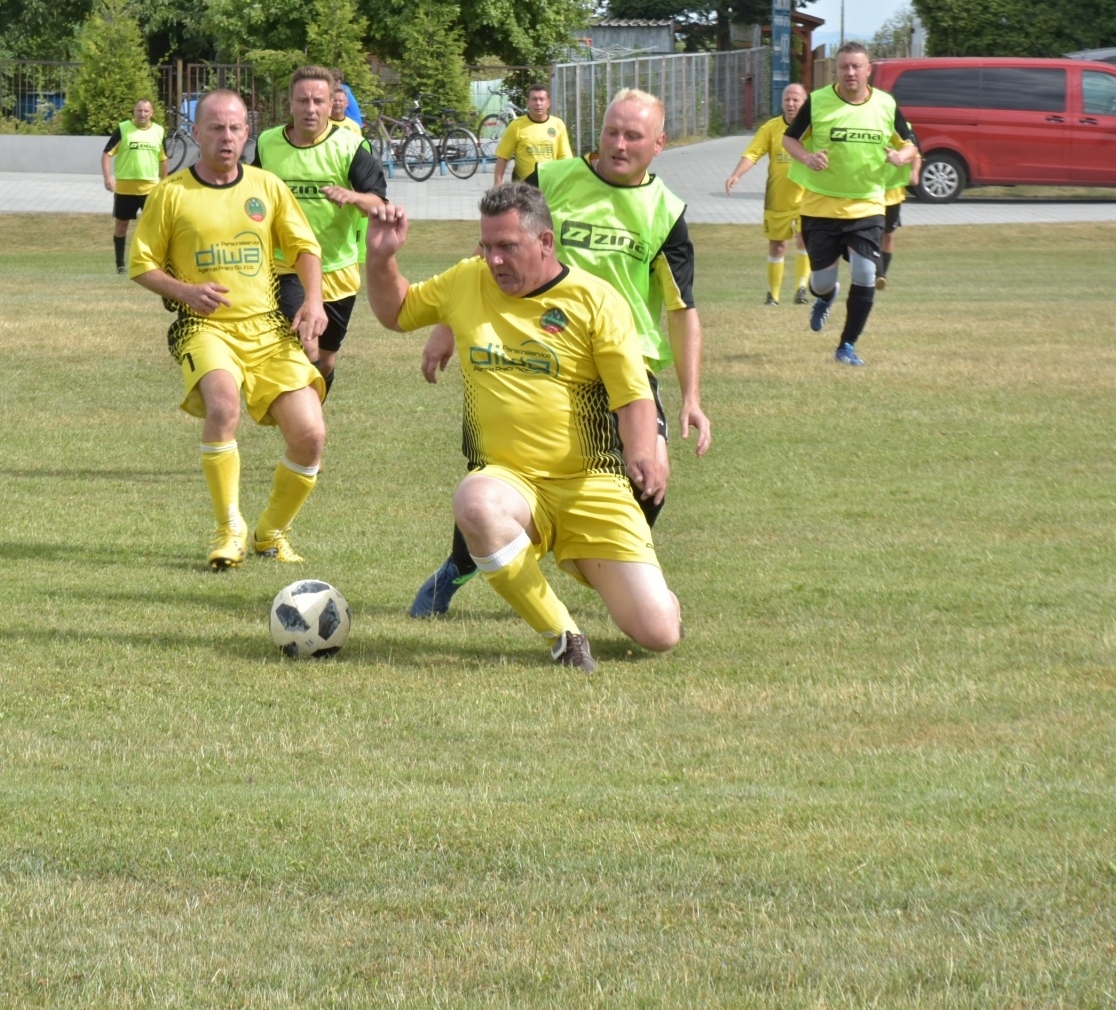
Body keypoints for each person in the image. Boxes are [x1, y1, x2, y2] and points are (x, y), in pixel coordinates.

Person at [411, 88, 711, 617]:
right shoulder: (553, 179)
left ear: (659, 144)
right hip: (541, 350)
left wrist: (691, 397)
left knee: (651, 476)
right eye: (611, 132)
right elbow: (495, 242)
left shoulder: (666, 212)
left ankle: (608, 564)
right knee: (510, 471)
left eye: (633, 136)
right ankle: (458, 568)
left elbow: (682, 309)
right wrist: (446, 327)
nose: (618, 144)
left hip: (625, 361)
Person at [366, 184, 680, 672]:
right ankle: (564, 636)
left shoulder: (596, 301)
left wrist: (642, 449)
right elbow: (396, 311)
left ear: (545, 243)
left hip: (590, 483)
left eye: (507, 246)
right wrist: (382, 259)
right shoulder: (467, 281)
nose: (493, 260)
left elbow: (632, 395)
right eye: (487, 246)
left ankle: (611, 571)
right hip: (511, 482)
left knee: (659, 632)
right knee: (475, 502)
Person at [127, 88, 330, 569]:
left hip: (266, 329)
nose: (227, 136)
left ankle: (269, 533)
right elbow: (142, 264)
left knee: (311, 436)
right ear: (195, 133)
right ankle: (229, 530)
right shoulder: (172, 193)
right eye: (215, 127)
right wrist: (185, 291)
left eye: (236, 128)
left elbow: (305, 249)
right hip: (205, 327)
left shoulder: (267, 186)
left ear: (247, 132)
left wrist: (314, 301)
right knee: (223, 403)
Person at [254, 65, 387, 395]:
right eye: (302, 101)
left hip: (337, 269)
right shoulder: (268, 144)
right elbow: (250, 193)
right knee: (307, 344)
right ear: (290, 104)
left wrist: (353, 196)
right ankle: (304, 426)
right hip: (287, 265)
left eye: (318, 101)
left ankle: (312, 415)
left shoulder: (351, 146)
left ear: (331, 104)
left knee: (326, 360)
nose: (310, 109)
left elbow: (379, 204)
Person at [782, 42, 916, 367]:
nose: (850, 72)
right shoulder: (818, 102)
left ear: (869, 70)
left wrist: (901, 156)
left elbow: (912, 143)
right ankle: (826, 296)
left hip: (867, 205)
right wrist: (807, 157)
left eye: (857, 66)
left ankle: (847, 346)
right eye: (844, 67)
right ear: (836, 70)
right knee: (822, 282)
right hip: (819, 207)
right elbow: (789, 138)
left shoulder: (885, 104)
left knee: (866, 272)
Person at [725, 82, 812, 306]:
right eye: (787, 100)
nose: (791, 104)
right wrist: (736, 175)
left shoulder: (814, 127)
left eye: (796, 99)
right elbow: (753, 154)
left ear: (805, 102)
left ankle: (801, 289)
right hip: (777, 200)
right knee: (777, 245)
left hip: (807, 199)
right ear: (782, 103)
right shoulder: (771, 128)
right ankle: (773, 295)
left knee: (804, 240)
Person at [101, 97, 165, 274]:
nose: (142, 114)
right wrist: (108, 177)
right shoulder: (123, 129)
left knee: (155, 227)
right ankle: (120, 265)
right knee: (122, 225)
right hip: (125, 188)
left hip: (150, 188)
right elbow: (106, 154)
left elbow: (163, 159)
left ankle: (154, 264)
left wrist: (165, 183)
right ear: (134, 112)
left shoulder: (159, 131)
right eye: (139, 110)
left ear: (152, 113)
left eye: (146, 111)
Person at [493, 85, 571, 185]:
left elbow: (565, 158)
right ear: (528, 102)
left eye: (542, 99)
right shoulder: (516, 126)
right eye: (534, 99)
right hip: (524, 188)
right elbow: (502, 157)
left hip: (550, 186)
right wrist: (497, 185)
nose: (538, 103)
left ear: (548, 103)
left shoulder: (558, 125)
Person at [876, 135, 920, 288]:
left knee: (888, 235)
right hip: (871, 191)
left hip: (894, 193)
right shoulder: (871, 122)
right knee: (873, 234)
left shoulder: (903, 128)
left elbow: (915, 153)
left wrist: (915, 171)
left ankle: (882, 276)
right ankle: (878, 275)